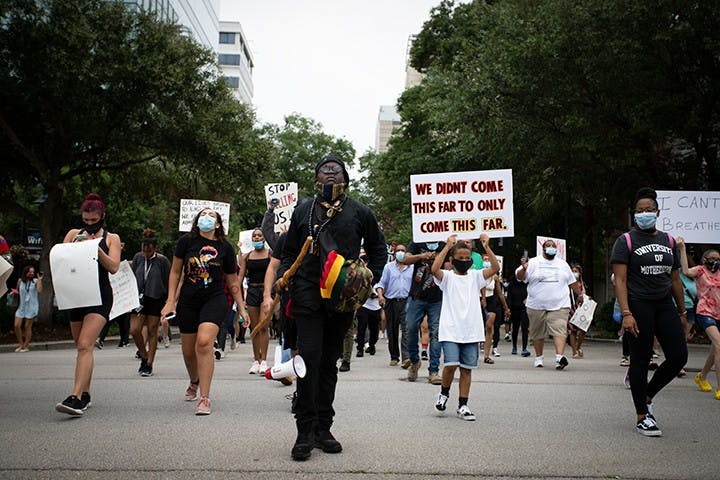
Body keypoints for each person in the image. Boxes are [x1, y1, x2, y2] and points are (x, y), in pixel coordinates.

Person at [279, 154, 385, 461]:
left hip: (341, 300)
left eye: (335, 170)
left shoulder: (360, 212)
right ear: (316, 178)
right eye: (324, 170)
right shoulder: (303, 210)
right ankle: (303, 430)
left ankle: (323, 428)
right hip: (307, 295)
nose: (329, 173)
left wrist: (365, 280)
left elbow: (379, 249)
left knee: (328, 362)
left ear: (345, 178)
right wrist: (288, 282)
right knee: (309, 357)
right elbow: (288, 254)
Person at [611, 187, 689, 437]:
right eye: (640, 211)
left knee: (678, 357)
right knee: (641, 359)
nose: (644, 214)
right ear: (635, 215)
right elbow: (620, 281)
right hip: (638, 305)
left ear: (657, 212)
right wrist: (626, 313)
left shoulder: (667, 240)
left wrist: (683, 311)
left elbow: (675, 278)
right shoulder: (626, 241)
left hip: (664, 304)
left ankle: (647, 394)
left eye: (649, 210)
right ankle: (642, 416)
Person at [161, 208, 250, 415]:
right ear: (197, 221)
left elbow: (232, 282)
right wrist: (170, 301)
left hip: (215, 299)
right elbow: (175, 272)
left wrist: (242, 309)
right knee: (188, 351)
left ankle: (204, 397)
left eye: (211, 215)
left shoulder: (225, 248)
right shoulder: (186, 242)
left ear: (218, 224)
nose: (206, 218)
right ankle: (194, 380)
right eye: (203, 215)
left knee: (203, 343)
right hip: (188, 301)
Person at [56, 193, 121, 415]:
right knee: (83, 347)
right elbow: (61, 259)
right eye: (86, 221)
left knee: (85, 344)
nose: (90, 225)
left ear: (102, 217)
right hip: (76, 295)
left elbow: (113, 266)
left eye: (94, 221)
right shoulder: (74, 234)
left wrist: (96, 248)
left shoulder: (111, 238)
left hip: (100, 296)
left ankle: (74, 396)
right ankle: (86, 394)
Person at [431, 234, 499, 421]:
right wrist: (447, 246)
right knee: (451, 365)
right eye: (460, 258)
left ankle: (463, 405)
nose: (464, 261)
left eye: (467, 258)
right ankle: (444, 393)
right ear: (452, 260)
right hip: (451, 329)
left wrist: (486, 246)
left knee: (467, 369)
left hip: (471, 331)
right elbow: (434, 268)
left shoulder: (476, 277)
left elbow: (495, 267)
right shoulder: (447, 277)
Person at [516, 239, 583, 370]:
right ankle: (539, 357)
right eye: (548, 246)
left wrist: (579, 295)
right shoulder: (533, 262)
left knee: (560, 329)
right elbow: (520, 277)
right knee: (537, 332)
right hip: (536, 305)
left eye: (553, 246)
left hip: (560, 304)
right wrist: (524, 269)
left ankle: (559, 357)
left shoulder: (563, 265)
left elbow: (572, 282)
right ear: (543, 249)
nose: (551, 247)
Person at [678, 238, 720, 400]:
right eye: (713, 259)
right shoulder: (701, 270)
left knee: (716, 348)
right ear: (705, 260)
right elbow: (686, 271)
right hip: (705, 312)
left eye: (718, 259)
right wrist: (682, 249)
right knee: (719, 344)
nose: (715, 262)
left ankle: (701, 377)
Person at [402, 239, 447, 384]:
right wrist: (421, 257)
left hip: (437, 298)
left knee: (436, 333)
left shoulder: (443, 245)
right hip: (416, 296)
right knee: (409, 328)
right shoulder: (417, 243)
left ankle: (433, 371)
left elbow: (450, 266)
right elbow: (405, 259)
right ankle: (414, 361)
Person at [130, 229, 171, 377]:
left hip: (155, 297)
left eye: (149, 251)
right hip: (139, 298)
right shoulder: (138, 258)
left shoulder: (162, 261)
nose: (146, 254)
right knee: (135, 330)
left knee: (153, 330)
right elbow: (132, 276)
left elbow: (168, 281)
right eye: (143, 250)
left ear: (154, 249)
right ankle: (144, 354)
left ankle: (149, 364)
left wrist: (169, 301)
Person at [238, 228, 272, 374]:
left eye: (259, 235)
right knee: (255, 328)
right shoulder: (247, 256)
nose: (257, 238)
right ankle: (256, 360)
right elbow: (240, 276)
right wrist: (236, 292)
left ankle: (264, 360)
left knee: (264, 326)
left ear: (264, 238)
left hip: (265, 291)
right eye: (254, 236)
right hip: (252, 291)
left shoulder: (270, 254)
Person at [376, 243, 413, 366]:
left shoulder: (412, 267)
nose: (400, 252)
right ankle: (394, 356)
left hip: (406, 301)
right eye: (398, 250)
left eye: (403, 250)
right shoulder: (389, 267)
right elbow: (381, 284)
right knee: (392, 331)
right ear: (394, 253)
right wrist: (380, 296)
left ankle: (406, 357)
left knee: (406, 330)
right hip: (391, 302)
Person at [14, 265, 42, 352]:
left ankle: (26, 346)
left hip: (32, 306)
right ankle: (21, 344)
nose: (32, 273)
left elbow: (39, 290)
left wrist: (40, 279)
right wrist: (13, 292)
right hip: (22, 306)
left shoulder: (35, 281)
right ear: (25, 272)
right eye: (30, 272)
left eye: (33, 272)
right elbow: (17, 291)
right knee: (16, 325)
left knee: (27, 326)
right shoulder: (20, 281)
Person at [505, 271, 530, 356]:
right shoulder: (512, 284)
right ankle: (514, 346)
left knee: (525, 328)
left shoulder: (527, 283)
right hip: (514, 308)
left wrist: (528, 299)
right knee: (515, 328)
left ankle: (524, 348)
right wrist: (508, 308)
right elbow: (509, 297)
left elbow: (532, 293)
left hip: (525, 309)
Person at [568, 263, 588, 359]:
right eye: (573, 271)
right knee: (572, 330)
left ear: (580, 273)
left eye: (576, 271)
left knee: (583, 329)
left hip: (581, 308)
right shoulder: (568, 283)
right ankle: (574, 351)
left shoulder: (582, 284)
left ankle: (578, 346)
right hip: (571, 308)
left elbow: (584, 295)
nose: (574, 273)